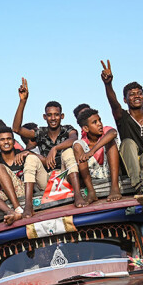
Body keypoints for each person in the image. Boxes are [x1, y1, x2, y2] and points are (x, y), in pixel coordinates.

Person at [100, 60, 143, 210]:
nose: (136, 96)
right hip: (131, 166)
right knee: (127, 143)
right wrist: (108, 84)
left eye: (139, 93)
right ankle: (141, 188)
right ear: (125, 100)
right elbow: (113, 103)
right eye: (132, 94)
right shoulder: (122, 117)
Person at [12, 78, 85, 208]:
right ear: (45, 117)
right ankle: (28, 206)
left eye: (56, 115)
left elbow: (74, 139)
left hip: (66, 176)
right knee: (30, 159)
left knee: (68, 152)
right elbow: (16, 129)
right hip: (47, 180)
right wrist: (23, 101)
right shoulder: (41, 132)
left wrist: (55, 148)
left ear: (61, 116)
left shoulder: (67, 129)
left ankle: (78, 196)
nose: (53, 118)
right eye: (49, 115)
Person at [73, 108, 122, 203]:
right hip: (94, 174)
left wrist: (92, 151)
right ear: (86, 129)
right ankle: (91, 191)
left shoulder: (106, 131)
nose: (99, 124)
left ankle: (115, 187)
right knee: (77, 145)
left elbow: (113, 133)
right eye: (95, 122)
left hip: (110, 170)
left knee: (110, 141)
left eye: (99, 120)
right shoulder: (83, 142)